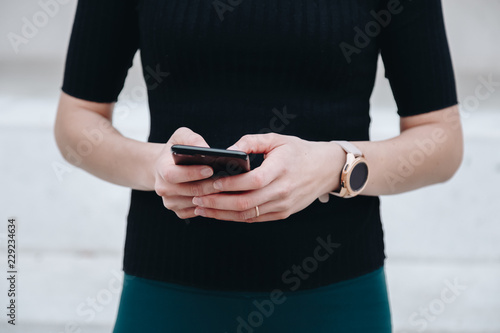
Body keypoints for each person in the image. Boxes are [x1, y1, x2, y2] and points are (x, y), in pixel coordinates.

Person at [54, 0, 463, 332]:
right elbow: (76, 121)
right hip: (167, 286)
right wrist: (156, 168)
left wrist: (335, 165)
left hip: (336, 294)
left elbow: (441, 140)